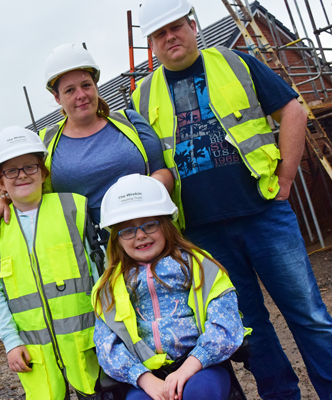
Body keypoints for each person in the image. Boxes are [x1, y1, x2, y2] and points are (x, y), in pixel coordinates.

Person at [131, 1, 332, 398]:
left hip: (263, 214)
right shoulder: (142, 96)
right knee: (248, 327)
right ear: (152, 44)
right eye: (160, 33)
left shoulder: (235, 62)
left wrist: (286, 178)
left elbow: (292, 110)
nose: (170, 37)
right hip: (202, 234)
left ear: (192, 25)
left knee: (308, 315)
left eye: (176, 27)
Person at [0, 43, 173, 240]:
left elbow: (163, 171)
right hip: (89, 253)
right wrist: (3, 202)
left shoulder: (129, 122)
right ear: (57, 97)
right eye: (69, 90)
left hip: (147, 236)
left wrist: (138, 196)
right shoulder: (44, 144)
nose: (81, 95)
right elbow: (28, 189)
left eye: (86, 85)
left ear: (95, 86)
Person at [93, 174, 245, 400]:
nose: (140, 235)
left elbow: (226, 324)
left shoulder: (200, 265)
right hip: (146, 377)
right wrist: (145, 379)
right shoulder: (108, 287)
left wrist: (189, 367)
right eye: (127, 229)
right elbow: (107, 347)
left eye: (150, 224)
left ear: (166, 225)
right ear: (116, 239)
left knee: (200, 393)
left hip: (200, 366)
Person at [0, 126, 102, 399]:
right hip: (35, 353)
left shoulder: (74, 208)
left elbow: (99, 273)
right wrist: (11, 343)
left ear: (43, 172)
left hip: (88, 343)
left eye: (30, 167)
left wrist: (108, 329)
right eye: (10, 170)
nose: (22, 174)